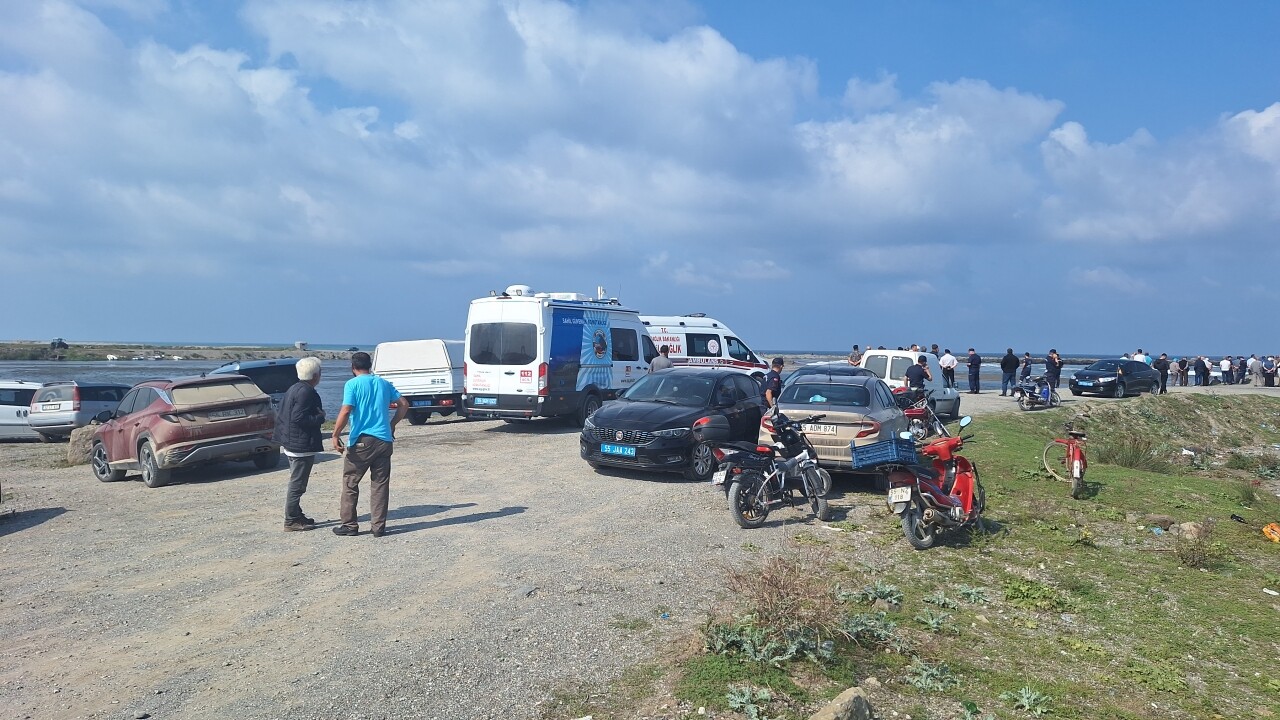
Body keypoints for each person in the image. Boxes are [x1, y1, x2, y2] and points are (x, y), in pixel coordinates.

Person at [331, 352, 409, 538]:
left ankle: (349, 525)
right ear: (370, 365)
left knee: (351, 482)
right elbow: (404, 404)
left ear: (353, 367)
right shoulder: (383, 383)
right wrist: (392, 424)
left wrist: (335, 434)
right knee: (380, 484)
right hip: (383, 440)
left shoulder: (352, 384)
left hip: (361, 440)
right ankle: (378, 527)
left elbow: (346, 410)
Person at [275, 357, 326, 531]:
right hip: (300, 444)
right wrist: (319, 417)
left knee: (297, 482)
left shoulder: (294, 388)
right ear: (315, 375)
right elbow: (298, 417)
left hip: (292, 441)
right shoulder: (306, 392)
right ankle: (291, 520)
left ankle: (296, 514)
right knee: (297, 485)